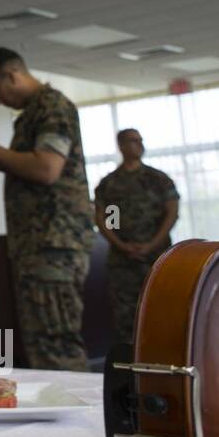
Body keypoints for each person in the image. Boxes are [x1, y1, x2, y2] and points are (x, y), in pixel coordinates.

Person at [0, 48, 94, 371]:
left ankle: (85, 420)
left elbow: (46, 169)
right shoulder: (32, 114)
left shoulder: (53, 106)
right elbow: (33, 168)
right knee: (42, 347)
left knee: (57, 347)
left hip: (54, 246)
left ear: (13, 75)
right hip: (37, 247)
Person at [93, 129, 179, 343]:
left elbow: (172, 212)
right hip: (123, 262)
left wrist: (152, 245)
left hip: (157, 257)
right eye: (133, 141)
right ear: (121, 146)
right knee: (126, 320)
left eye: (141, 140)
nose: (139, 145)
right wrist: (121, 246)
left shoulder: (157, 179)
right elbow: (103, 219)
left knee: (163, 310)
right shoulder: (109, 184)